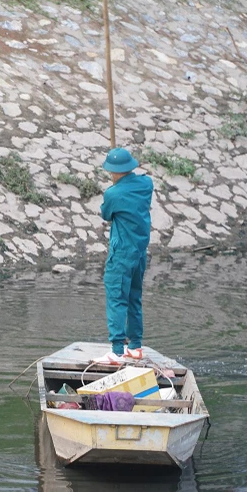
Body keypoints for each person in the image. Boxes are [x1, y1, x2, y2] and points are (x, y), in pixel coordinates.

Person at [93, 148, 153, 365]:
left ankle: (117, 351)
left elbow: (106, 214)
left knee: (116, 299)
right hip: (140, 252)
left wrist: (114, 187)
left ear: (114, 171)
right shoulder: (146, 184)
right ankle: (135, 346)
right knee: (134, 297)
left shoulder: (113, 194)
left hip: (121, 254)